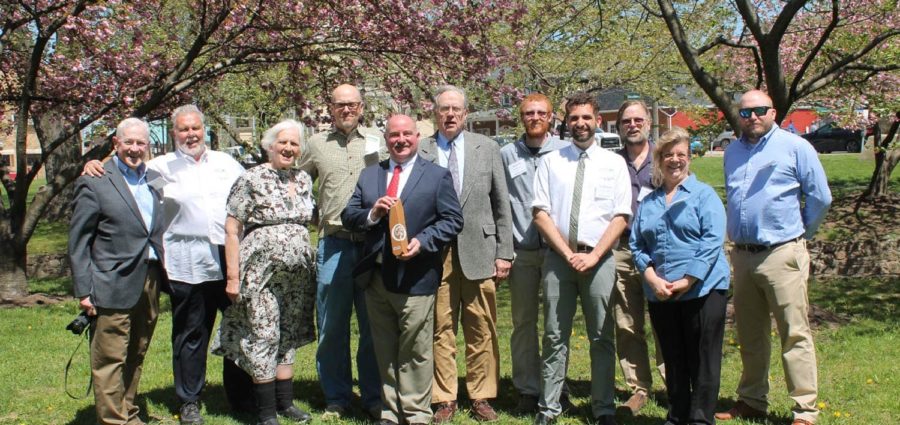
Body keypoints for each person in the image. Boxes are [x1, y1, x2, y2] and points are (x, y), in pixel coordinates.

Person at [84, 105, 249, 424]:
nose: (191, 134)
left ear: (205, 130)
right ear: (173, 133)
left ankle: (241, 396)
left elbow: (251, 190)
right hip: (185, 261)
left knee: (237, 329)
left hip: (229, 258)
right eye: (184, 129)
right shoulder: (159, 167)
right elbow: (121, 173)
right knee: (191, 332)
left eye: (196, 128)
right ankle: (189, 400)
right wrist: (95, 163)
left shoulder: (226, 163)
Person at [716, 90, 832, 425]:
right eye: (746, 112)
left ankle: (805, 411)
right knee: (750, 335)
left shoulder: (796, 148)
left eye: (760, 110)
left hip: (782, 253)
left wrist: (801, 235)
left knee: (794, 334)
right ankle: (753, 400)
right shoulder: (732, 152)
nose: (752, 117)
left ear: (773, 112)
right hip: (743, 254)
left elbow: (820, 197)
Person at [342, 114, 464, 425]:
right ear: (386, 140)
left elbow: (452, 220)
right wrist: (372, 213)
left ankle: (416, 413)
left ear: (417, 137)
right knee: (384, 347)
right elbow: (349, 215)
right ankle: (390, 412)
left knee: (416, 348)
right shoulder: (371, 175)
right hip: (378, 277)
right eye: (394, 135)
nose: (401, 140)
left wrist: (423, 242)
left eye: (407, 134)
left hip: (416, 275)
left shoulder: (437, 176)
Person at [531, 92, 631, 425]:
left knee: (602, 336)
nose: (580, 123)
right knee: (554, 335)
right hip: (560, 260)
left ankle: (603, 407)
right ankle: (549, 408)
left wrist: (594, 256)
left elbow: (621, 216)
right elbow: (540, 213)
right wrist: (568, 254)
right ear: (566, 122)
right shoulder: (551, 162)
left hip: (599, 259)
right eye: (574, 118)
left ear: (597, 121)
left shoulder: (614, 163)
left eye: (586, 117)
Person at [211, 119, 317, 425]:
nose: (288, 148)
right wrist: (232, 277)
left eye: (294, 143)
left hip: (297, 276)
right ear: (269, 146)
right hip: (261, 274)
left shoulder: (304, 179)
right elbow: (232, 230)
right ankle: (266, 412)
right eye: (282, 142)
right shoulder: (251, 178)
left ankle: (285, 403)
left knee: (288, 334)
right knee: (264, 333)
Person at [418, 85, 514, 423]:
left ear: (466, 113)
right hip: (435, 255)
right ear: (435, 113)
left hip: (481, 251)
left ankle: (482, 394)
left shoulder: (487, 148)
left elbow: (502, 205)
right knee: (440, 327)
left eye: (456, 109)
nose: (450, 115)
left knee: (481, 327)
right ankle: (444, 397)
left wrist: (505, 253)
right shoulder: (422, 149)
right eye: (444, 109)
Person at [630, 127, 730, 425]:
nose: (675, 160)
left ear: (689, 158)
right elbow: (636, 244)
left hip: (703, 290)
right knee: (673, 357)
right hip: (661, 292)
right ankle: (677, 416)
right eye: (669, 155)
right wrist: (652, 278)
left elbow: (712, 242)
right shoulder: (649, 202)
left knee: (702, 358)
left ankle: (700, 419)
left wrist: (688, 280)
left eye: (681, 155)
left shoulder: (704, 195)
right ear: (659, 160)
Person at [297, 84, 385, 420]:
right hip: (333, 243)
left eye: (352, 104)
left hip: (371, 244)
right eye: (339, 105)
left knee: (371, 323)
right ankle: (336, 396)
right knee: (332, 324)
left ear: (362, 107)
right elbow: (298, 184)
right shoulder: (316, 144)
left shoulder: (377, 141)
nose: (346, 110)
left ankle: (373, 395)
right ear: (330, 108)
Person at [69, 118, 165, 425]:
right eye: (129, 143)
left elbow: (169, 212)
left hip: (149, 279)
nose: (135, 149)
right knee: (110, 357)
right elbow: (79, 240)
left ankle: (127, 412)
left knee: (137, 352)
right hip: (111, 282)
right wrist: (84, 290)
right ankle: (113, 421)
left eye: (141, 143)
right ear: (116, 144)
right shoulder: (95, 180)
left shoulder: (155, 179)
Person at [499, 93, 571, 415]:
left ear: (552, 117)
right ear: (521, 117)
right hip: (523, 252)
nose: (535, 117)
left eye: (541, 112)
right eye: (529, 112)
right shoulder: (506, 155)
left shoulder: (565, 152)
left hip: (558, 251)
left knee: (558, 323)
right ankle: (527, 388)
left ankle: (557, 385)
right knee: (523, 322)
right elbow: (500, 203)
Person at [612, 100, 666, 414]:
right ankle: (638, 388)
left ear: (648, 122)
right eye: (626, 121)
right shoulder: (612, 162)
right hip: (621, 249)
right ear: (619, 127)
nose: (633, 125)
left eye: (638, 120)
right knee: (627, 322)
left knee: (665, 321)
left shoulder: (664, 157)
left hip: (660, 251)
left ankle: (673, 383)